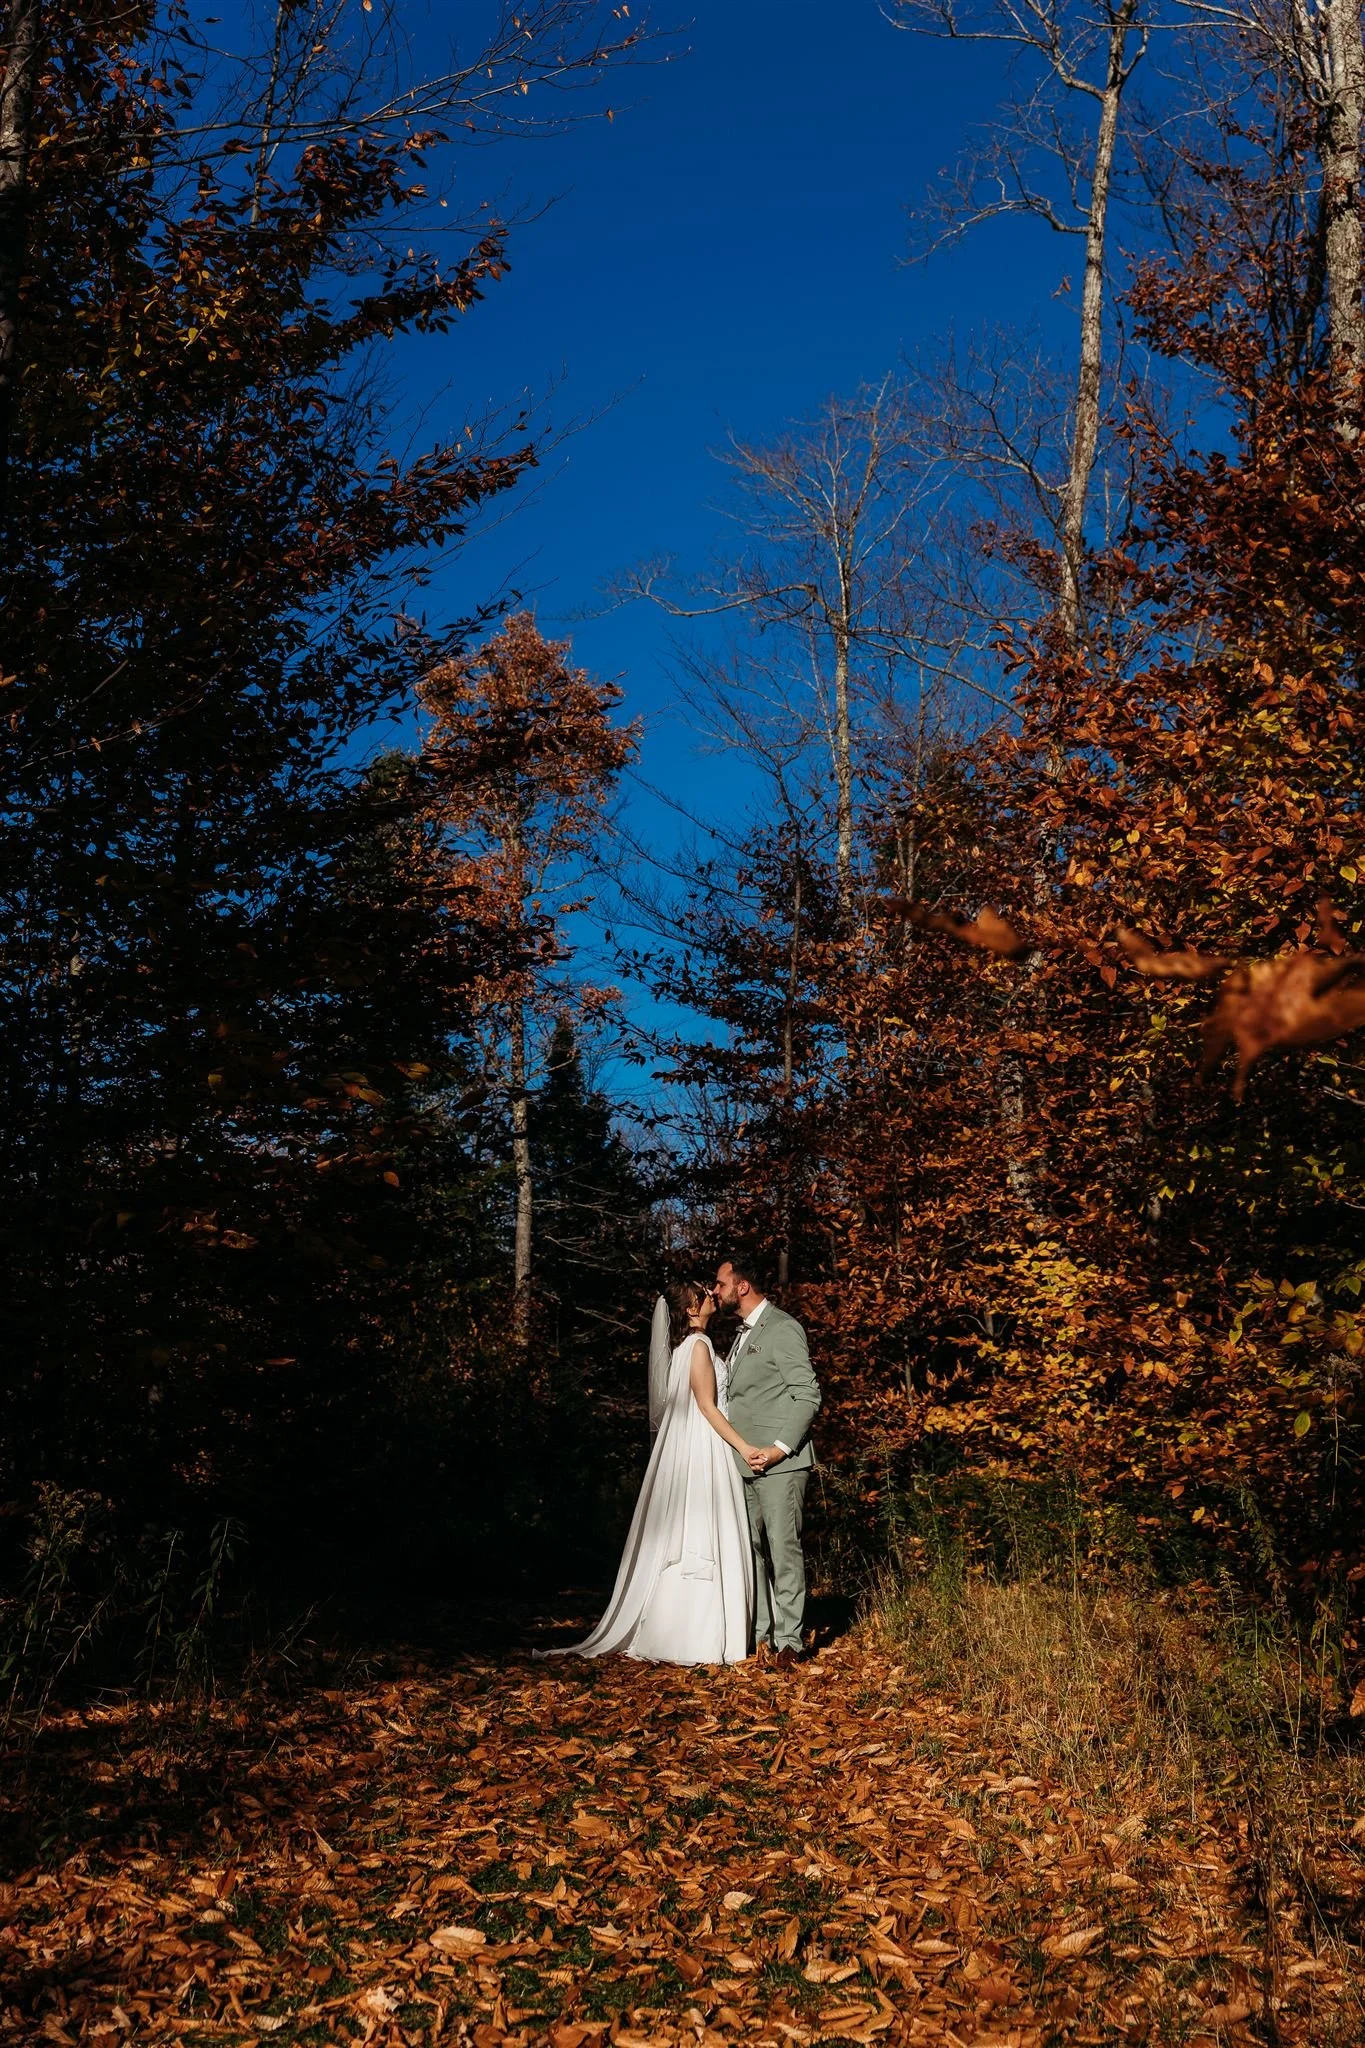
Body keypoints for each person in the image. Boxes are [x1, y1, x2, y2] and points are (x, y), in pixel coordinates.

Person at [540, 1281, 757, 1665]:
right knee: (703, 1531)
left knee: (691, 1532)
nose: (711, 1296)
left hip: (694, 1447)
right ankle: (698, 1637)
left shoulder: (683, 1349)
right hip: (706, 1448)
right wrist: (743, 1446)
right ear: (690, 1310)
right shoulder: (700, 1347)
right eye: (703, 1295)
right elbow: (708, 1408)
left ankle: (675, 1633)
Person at [714, 1257, 821, 1667]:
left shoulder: (783, 1328)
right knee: (752, 1550)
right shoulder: (741, 1334)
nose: (715, 1291)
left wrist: (780, 1448)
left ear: (742, 1287)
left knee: (783, 1548)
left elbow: (808, 1396)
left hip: (780, 1464)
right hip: (743, 1462)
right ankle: (762, 1637)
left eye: (720, 1283)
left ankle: (790, 1642)